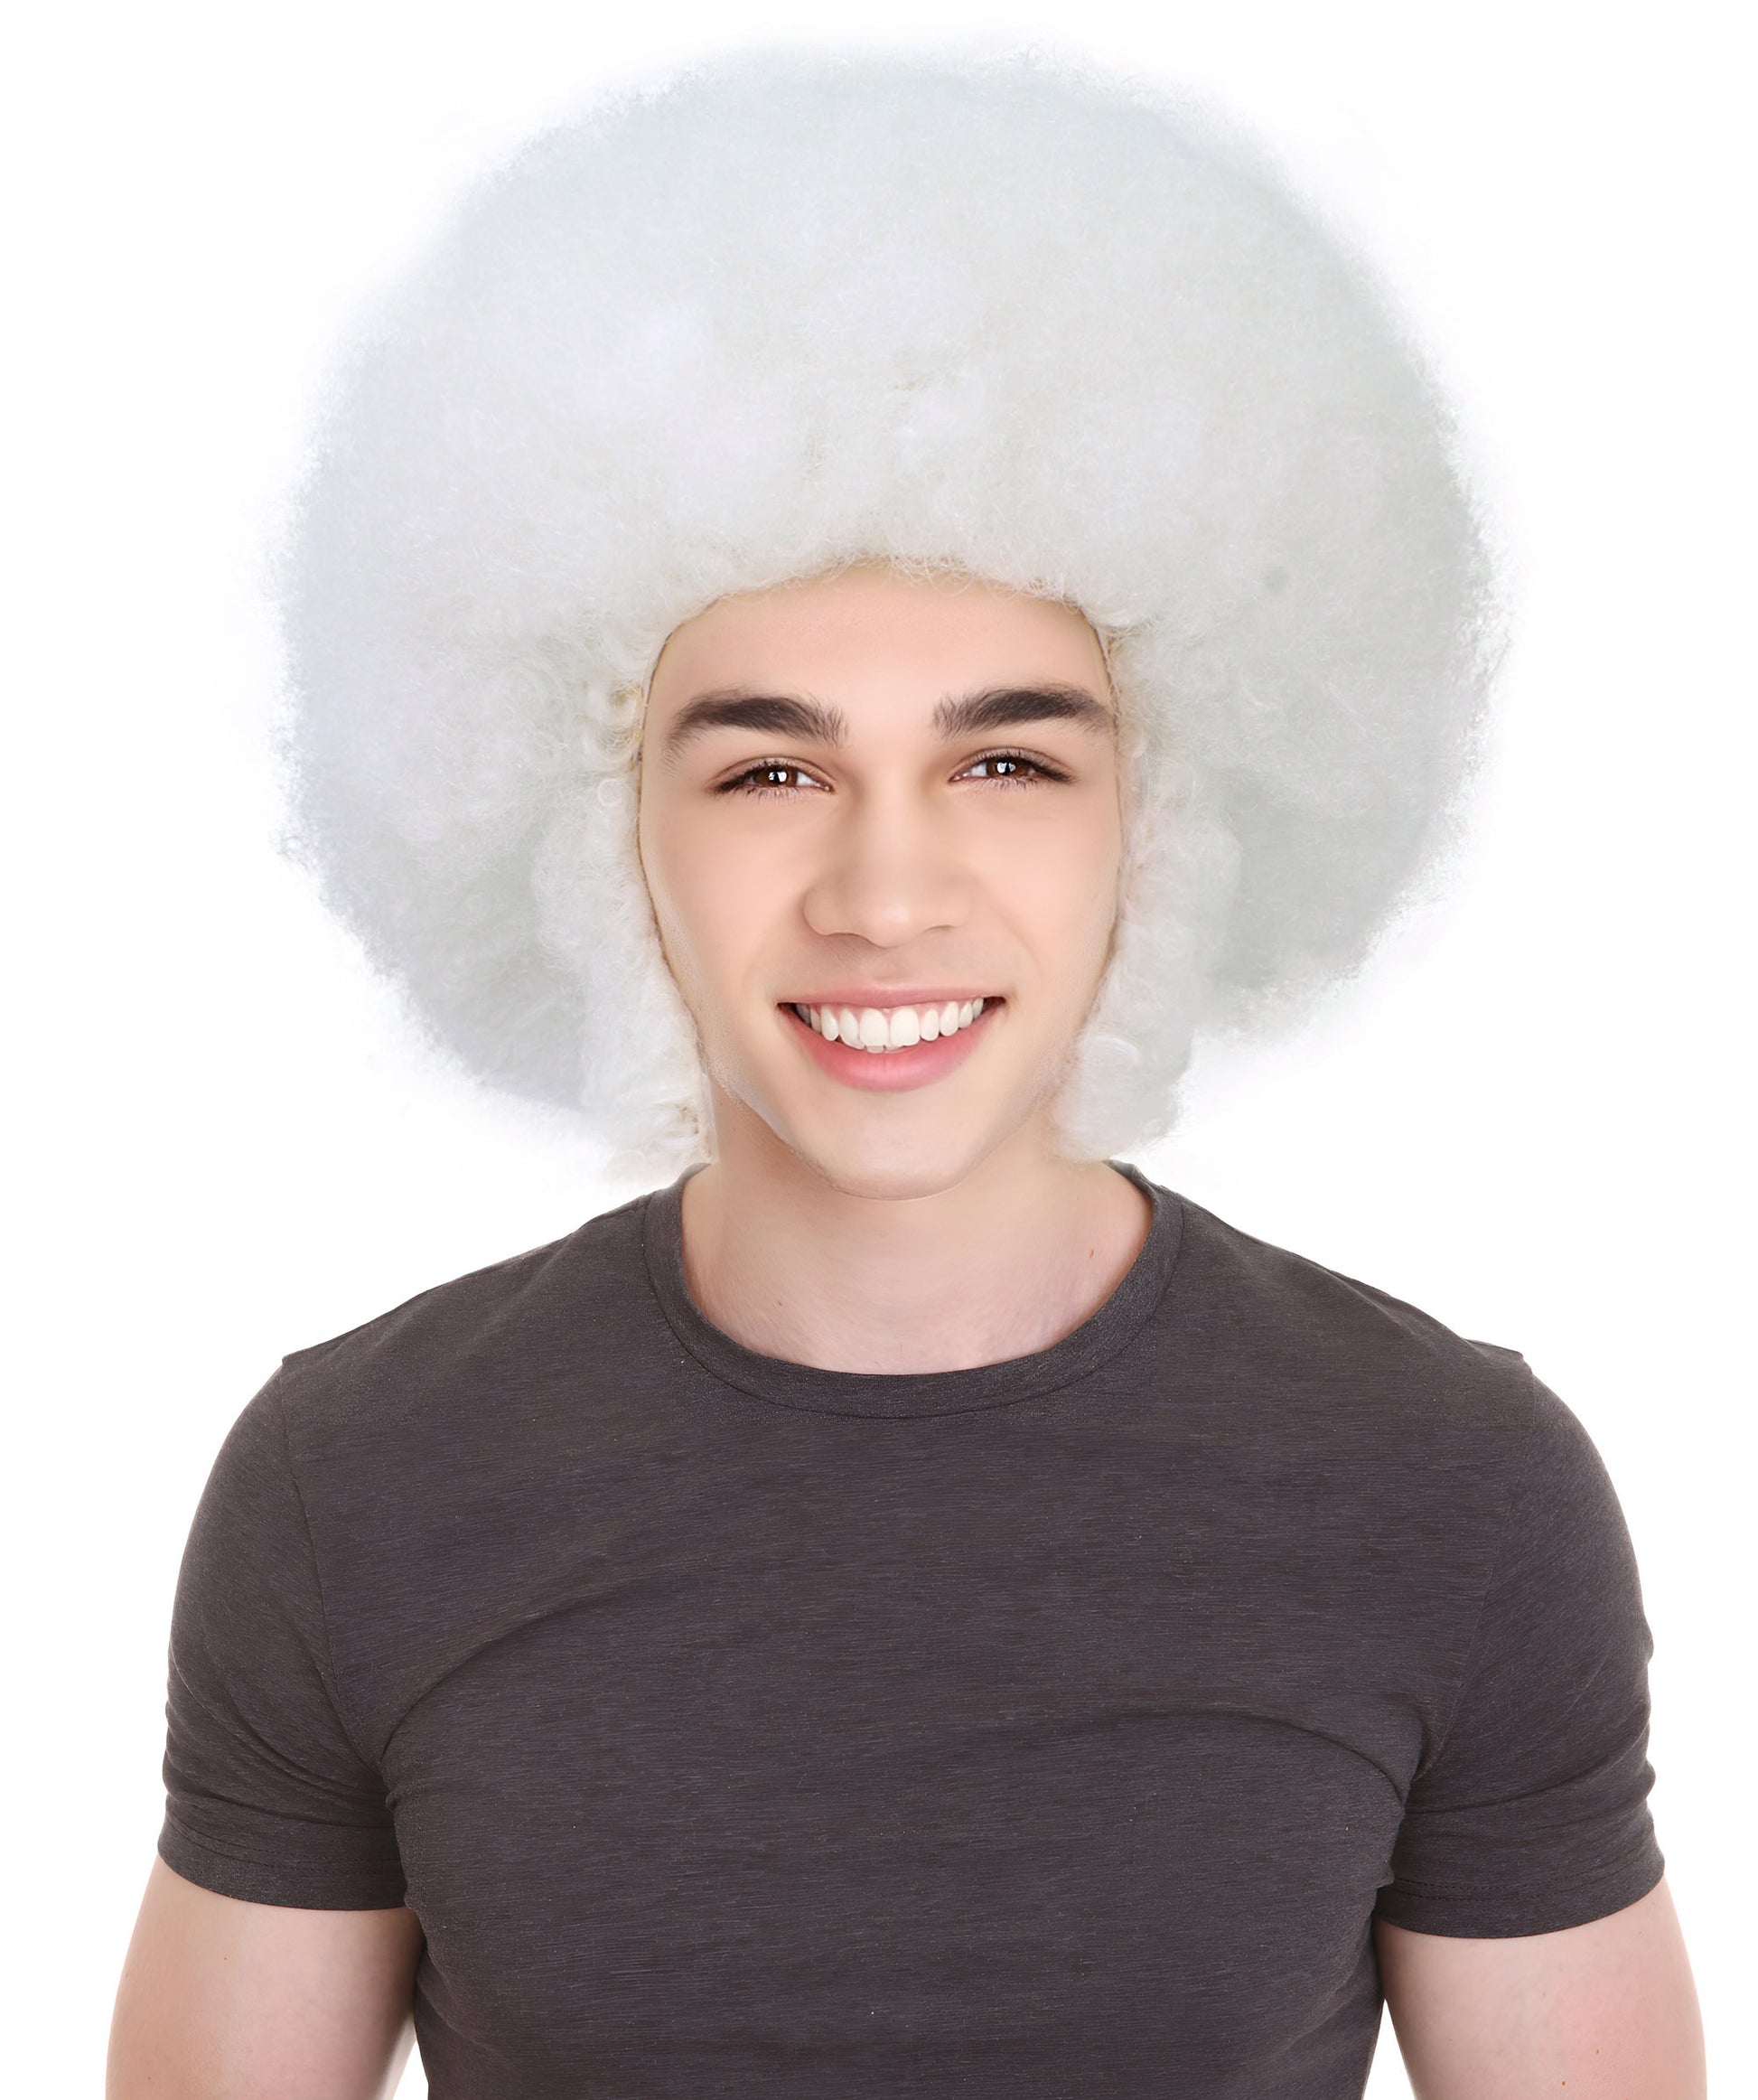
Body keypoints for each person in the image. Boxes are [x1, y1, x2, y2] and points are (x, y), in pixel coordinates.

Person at [108, 46, 1706, 2100]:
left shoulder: (1450, 1489)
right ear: (602, 828)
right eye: (769, 771)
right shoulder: (357, 1487)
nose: (883, 893)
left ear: (1163, 817)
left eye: (1006, 762)